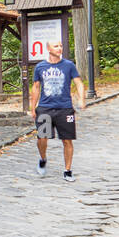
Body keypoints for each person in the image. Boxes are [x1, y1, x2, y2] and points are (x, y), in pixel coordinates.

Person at [29, 39, 86, 181]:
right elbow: (36, 87)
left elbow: (79, 83)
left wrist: (81, 99)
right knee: (42, 138)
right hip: (45, 108)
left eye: (61, 46)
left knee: (67, 141)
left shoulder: (68, 65)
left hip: (65, 109)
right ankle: (42, 159)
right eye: (56, 46)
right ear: (48, 48)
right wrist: (33, 107)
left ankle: (67, 170)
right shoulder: (40, 67)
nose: (59, 48)